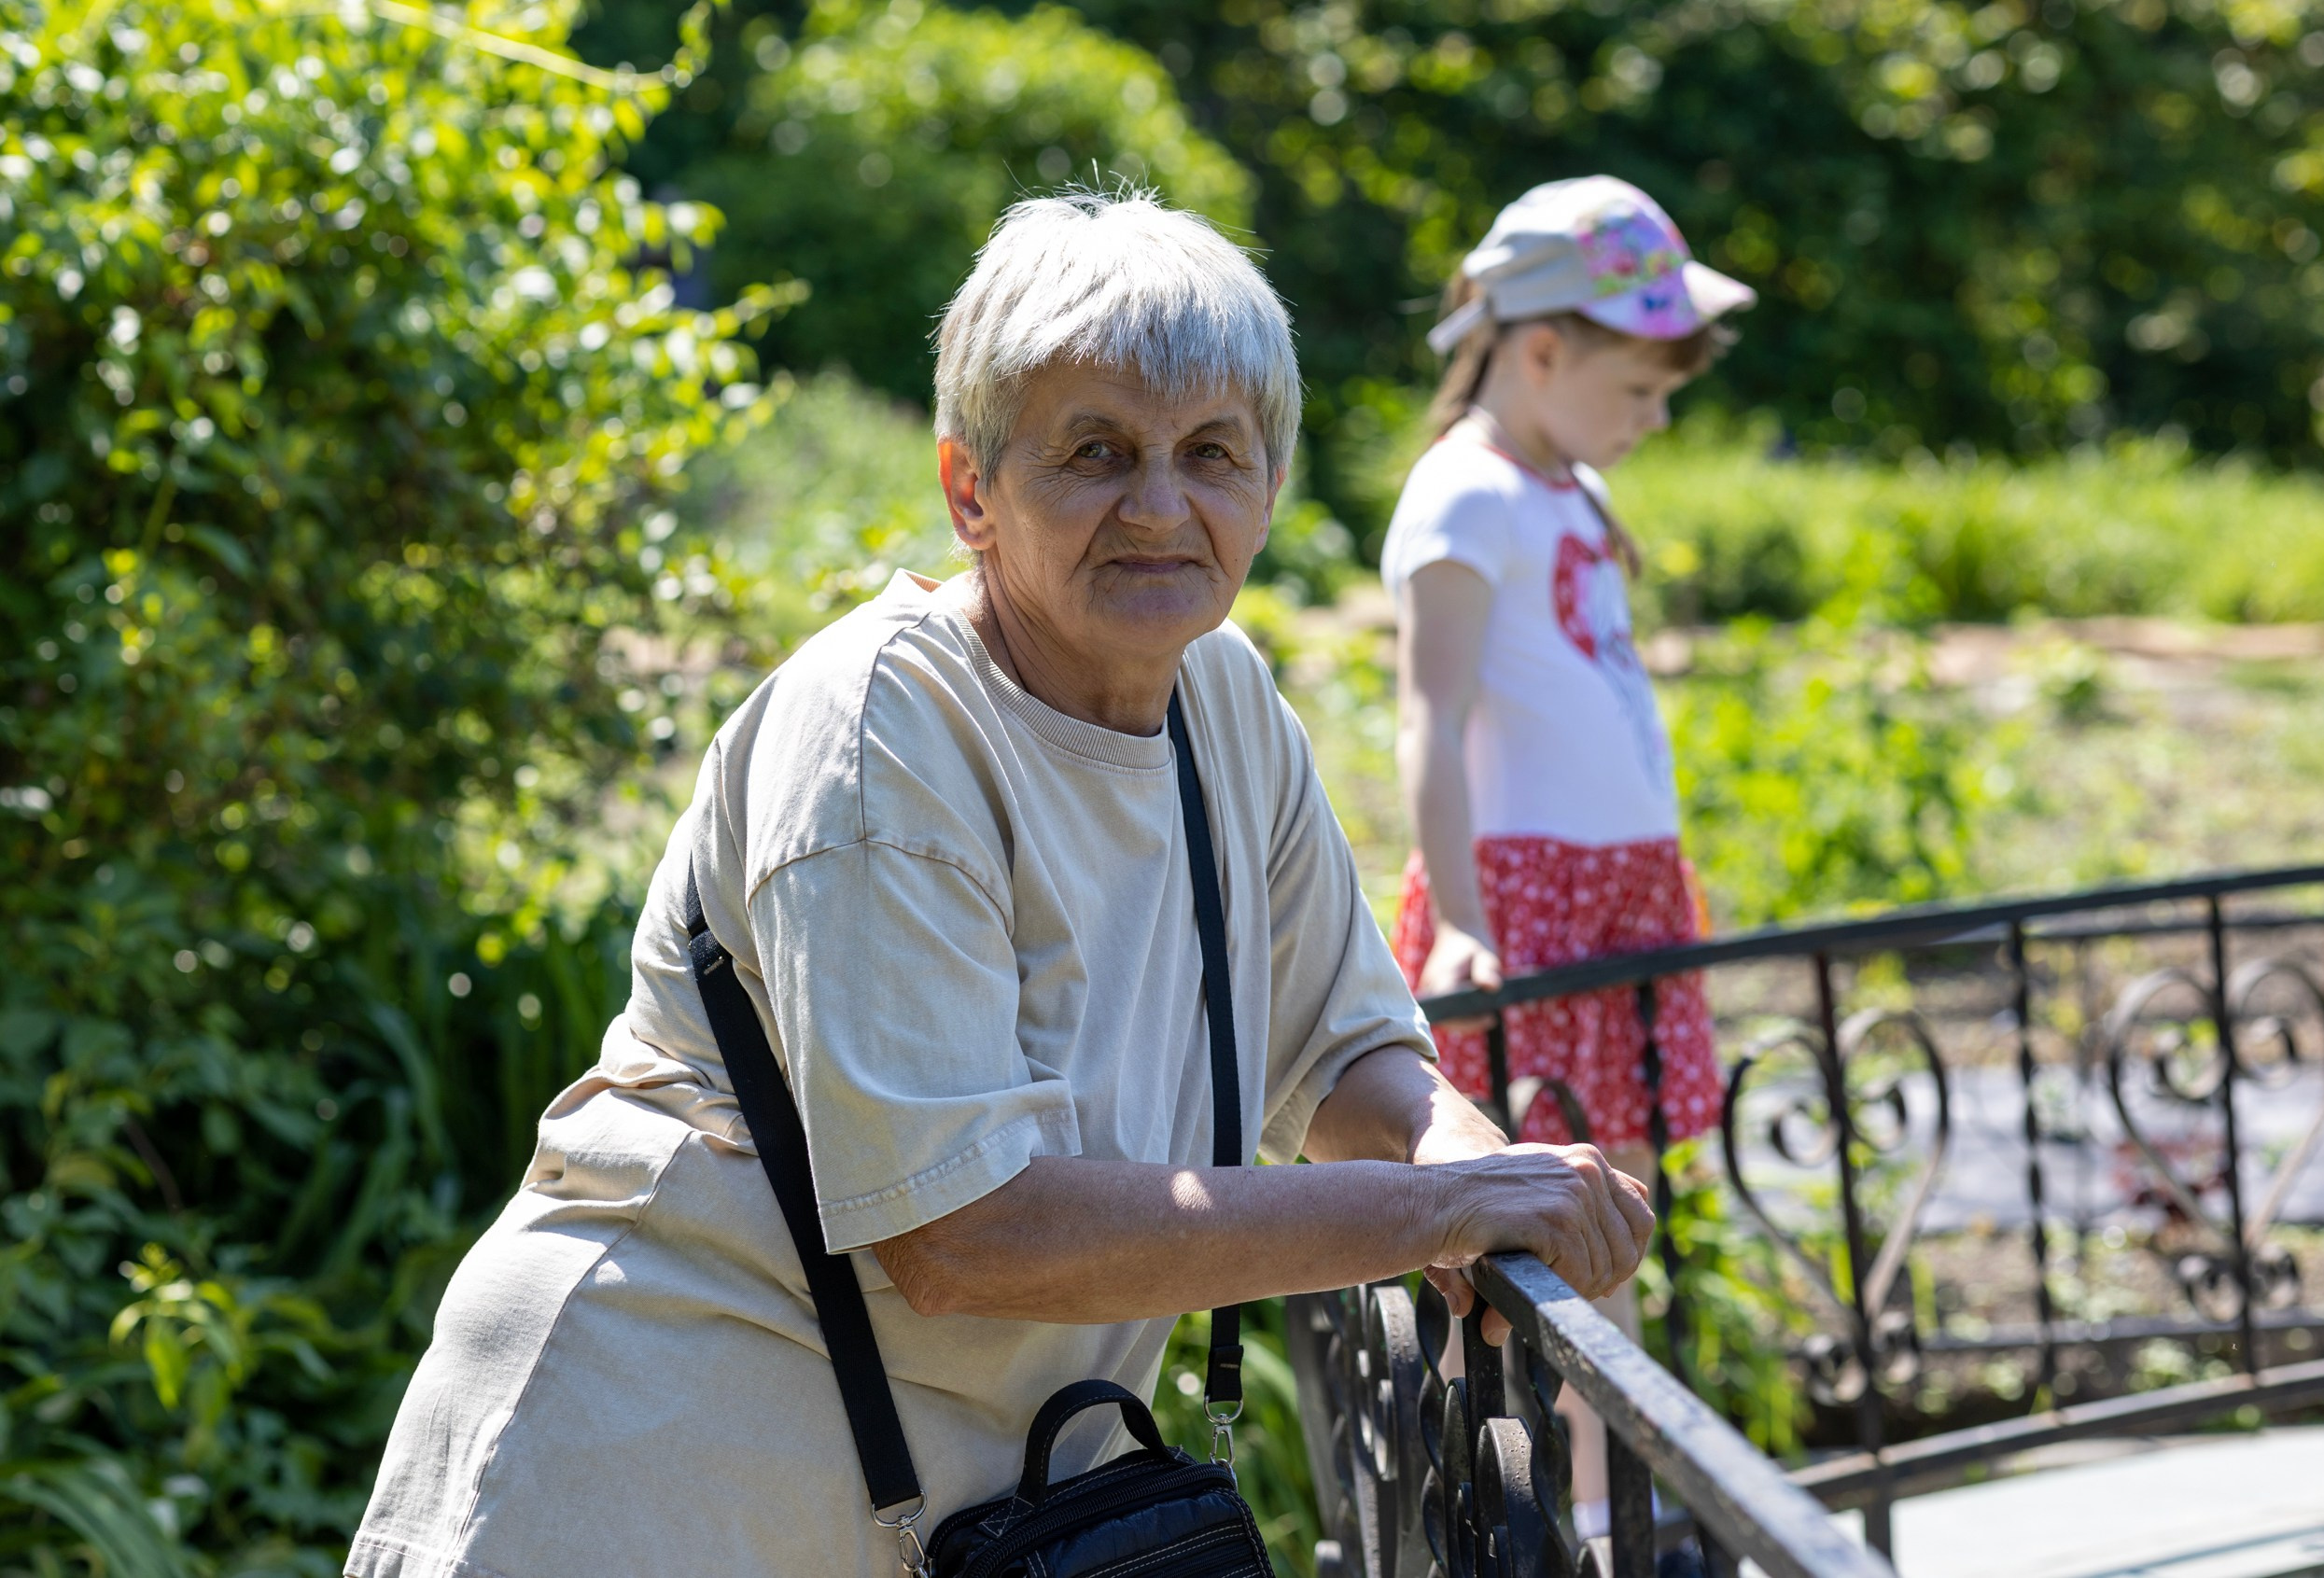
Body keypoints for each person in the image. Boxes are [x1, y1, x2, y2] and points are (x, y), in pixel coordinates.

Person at [344, 189, 1655, 1578]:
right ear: (972, 490)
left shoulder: (1222, 699)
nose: (1161, 507)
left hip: (947, 1509)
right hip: (642, 1492)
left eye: (1213, 453)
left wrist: (1451, 1148)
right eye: (1096, 454)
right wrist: (1433, 1214)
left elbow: (1337, 1046)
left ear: (1270, 487)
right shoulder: (881, 738)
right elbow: (966, 1232)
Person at [1382, 175, 1752, 1541]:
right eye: (1641, 387)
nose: (1656, 419)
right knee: (1526, 1236)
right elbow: (1433, 716)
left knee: (1614, 1220)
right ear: (1542, 350)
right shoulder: (1466, 495)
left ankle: (1612, 1513)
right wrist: (1464, 917)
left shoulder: (1568, 484)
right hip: (1529, 901)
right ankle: (1557, 1523)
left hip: (1617, 900)